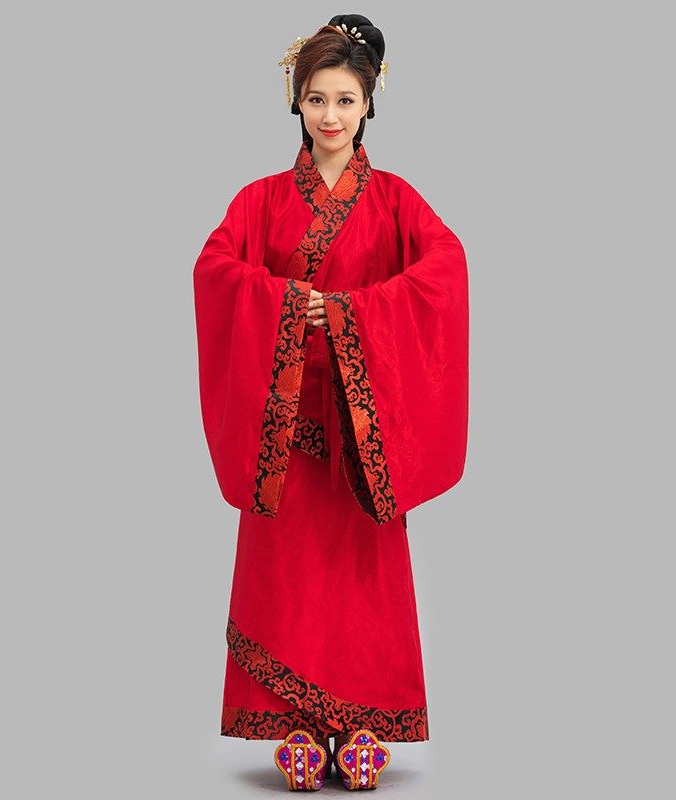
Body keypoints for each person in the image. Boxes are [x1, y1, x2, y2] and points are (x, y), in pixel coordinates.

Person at [192, 13, 469, 791]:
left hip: (361, 437)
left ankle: (363, 723)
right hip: (282, 440)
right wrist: (285, 306)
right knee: (287, 582)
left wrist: (350, 315)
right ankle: (294, 724)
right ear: (297, 101)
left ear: (369, 103)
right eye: (316, 98)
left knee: (361, 588)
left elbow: (445, 272)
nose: (331, 115)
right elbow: (215, 272)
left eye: (346, 99)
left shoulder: (398, 202)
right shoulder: (258, 202)